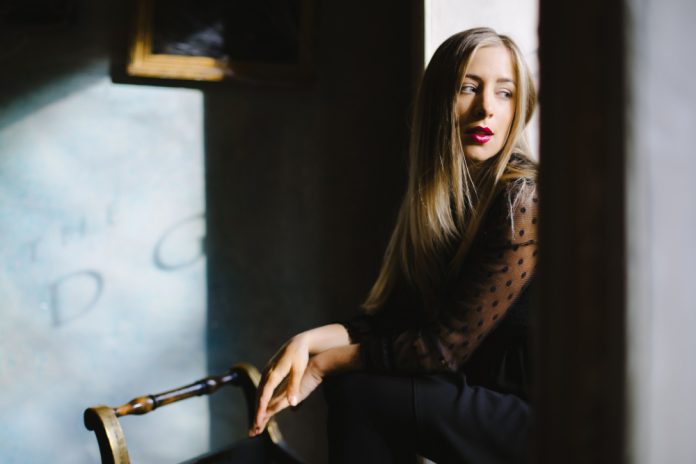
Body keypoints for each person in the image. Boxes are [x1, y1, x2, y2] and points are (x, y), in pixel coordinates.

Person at [248, 27, 539, 463]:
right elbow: (394, 320)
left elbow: (441, 350)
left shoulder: (523, 198)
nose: (486, 108)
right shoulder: (447, 204)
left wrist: (326, 363)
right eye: (468, 88)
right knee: (359, 388)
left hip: (543, 423)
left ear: (520, 107)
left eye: (505, 93)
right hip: (490, 405)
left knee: (361, 391)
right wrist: (307, 342)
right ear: (439, 100)